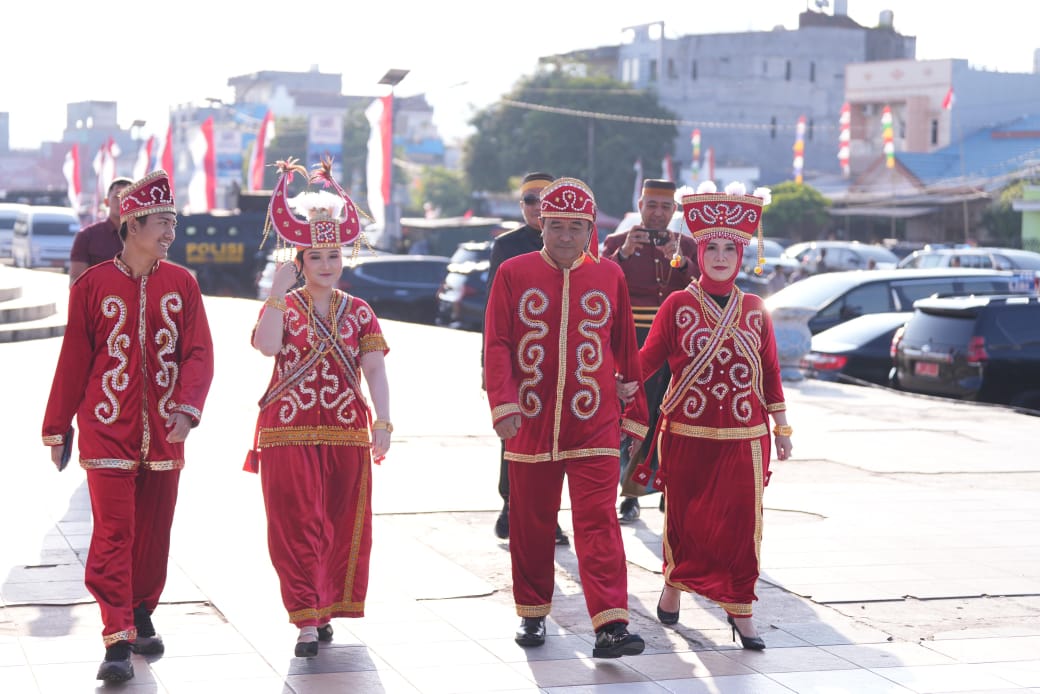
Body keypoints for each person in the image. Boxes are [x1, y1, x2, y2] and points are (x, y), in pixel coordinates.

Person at [41, 170, 214, 683]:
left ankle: (140, 611)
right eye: (162, 222)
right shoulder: (92, 286)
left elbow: (199, 352)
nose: (169, 233)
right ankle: (116, 637)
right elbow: (74, 360)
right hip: (105, 425)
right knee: (114, 532)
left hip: (165, 430)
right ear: (132, 223)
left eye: (173, 224)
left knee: (153, 533)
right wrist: (57, 426)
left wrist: (187, 407)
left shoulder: (183, 283)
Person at [484, 177, 648, 658]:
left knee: (598, 522)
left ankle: (612, 623)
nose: (564, 236)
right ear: (541, 225)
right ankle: (533, 612)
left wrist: (632, 409)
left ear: (590, 228)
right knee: (531, 522)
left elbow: (626, 348)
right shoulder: (513, 272)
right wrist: (504, 402)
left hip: (592, 420)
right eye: (556, 226)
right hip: (529, 420)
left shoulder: (609, 276)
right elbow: (496, 342)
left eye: (575, 227)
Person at [638, 180, 793, 650]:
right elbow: (646, 362)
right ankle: (673, 585)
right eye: (712, 247)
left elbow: (769, 371)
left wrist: (782, 427)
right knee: (686, 522)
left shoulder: (755, 309)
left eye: (730, 248)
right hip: (686, 433)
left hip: (745, 436)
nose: (721, 256)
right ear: (698, 252)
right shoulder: (677, 304)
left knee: (739, 528)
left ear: (742, 255)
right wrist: (614, 379)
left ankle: (740, 609)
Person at [247, 158, 391, 658]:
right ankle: (306, 619)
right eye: (316, 257)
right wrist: (274, 294)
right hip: (287, 431)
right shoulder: (285, 305)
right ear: (299, 262)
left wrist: (385, 422)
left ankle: (326, 606)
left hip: (348, 430)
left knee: (337, 524)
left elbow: (374, 370)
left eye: (334, 255)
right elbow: (266, 348)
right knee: (295, 523)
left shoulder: (361, 311)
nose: (326, 265)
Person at [601, 179, 698, 523]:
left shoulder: (686, 245)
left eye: (665, 207)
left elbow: (706, 284)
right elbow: (597, 281)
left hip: (678, 344)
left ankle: (669, 488)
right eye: (651, 205)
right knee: (632, 418)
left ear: (675, 211)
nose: (657, 213)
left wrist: (682, 263)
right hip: (631, 340)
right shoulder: (616, 243)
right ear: (640, 206)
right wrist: (623, 255)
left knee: (672, 418)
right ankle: (630, 495)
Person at [482, 171, 568, 546]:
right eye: (530, 201)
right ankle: (510, 503)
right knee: (512, 433)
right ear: (522, 207)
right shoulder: (506, 246)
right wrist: (488, 365)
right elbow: (492, 310)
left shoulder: (574, 241)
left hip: (563, 358)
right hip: (518, 357)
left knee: (559, 438)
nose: (537, 207)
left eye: (544, 199)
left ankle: (550, 517)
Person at [68, 176, 134, 283]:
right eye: (117, 196)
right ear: (106, 202)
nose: (122, 201)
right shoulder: (87, 236)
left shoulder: (144, 237)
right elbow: (76, 281)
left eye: (127, 196)